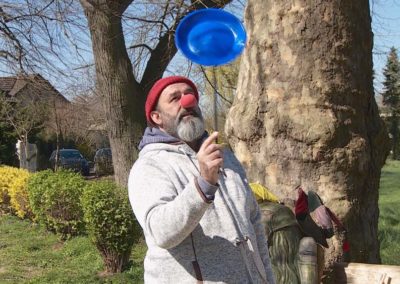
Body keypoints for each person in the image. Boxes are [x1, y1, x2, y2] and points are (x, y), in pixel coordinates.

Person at [128, 76, 276, 283]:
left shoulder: (225, 156)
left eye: (189, 95)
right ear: (157, 117)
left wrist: (267, 278)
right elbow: (161, 233)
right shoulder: (149, 166)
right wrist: (202, 185)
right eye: (174, 98)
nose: (186, 102)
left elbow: (254, 224)